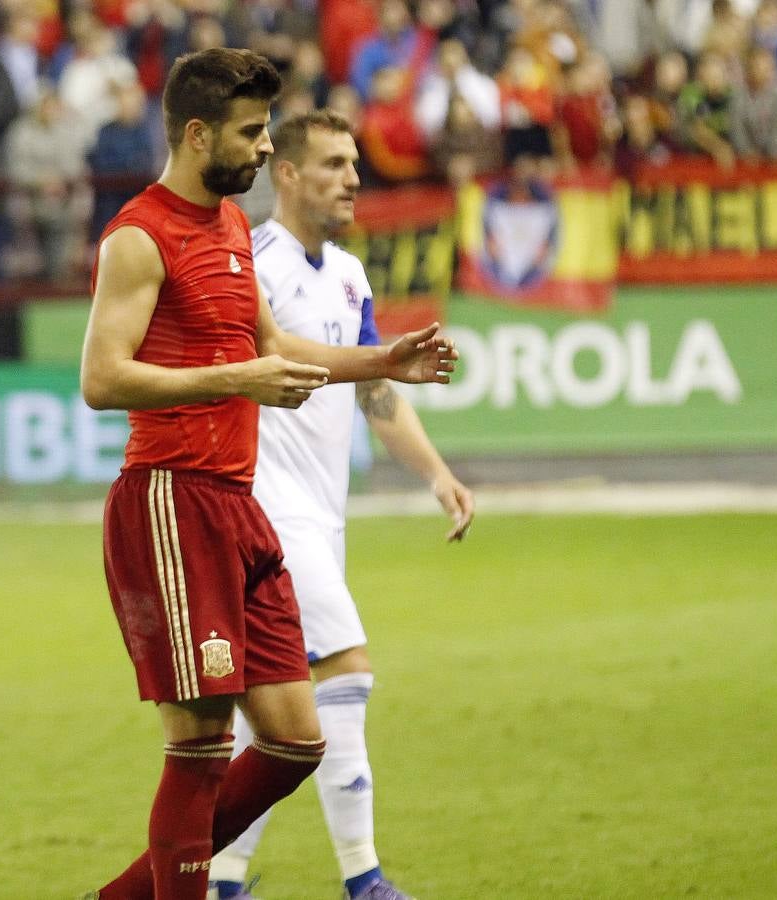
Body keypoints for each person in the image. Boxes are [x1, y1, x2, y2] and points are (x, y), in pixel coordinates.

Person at [78, 48, 456, 900]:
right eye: (250, 134)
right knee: (202, 745)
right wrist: (233, 381)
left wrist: (380, 362)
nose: (260, 150)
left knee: (294, 739)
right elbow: (102, 379)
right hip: (171, 499)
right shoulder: (141, 235)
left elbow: (275, 349)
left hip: (236, 504)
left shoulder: (225, 233)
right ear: (199, 132)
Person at [207, 110, 475, 900]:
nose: (354, 178)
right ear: (284, 173)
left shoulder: (351, 274)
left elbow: (376, 392)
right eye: (332, 164)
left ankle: (220, 880)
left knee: (272, 712)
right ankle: (365, 881)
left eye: (354, 163)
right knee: (346, 670)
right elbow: (258, 359)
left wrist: (435, 473)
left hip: (322, 513)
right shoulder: (252, 264)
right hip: (264, 504)